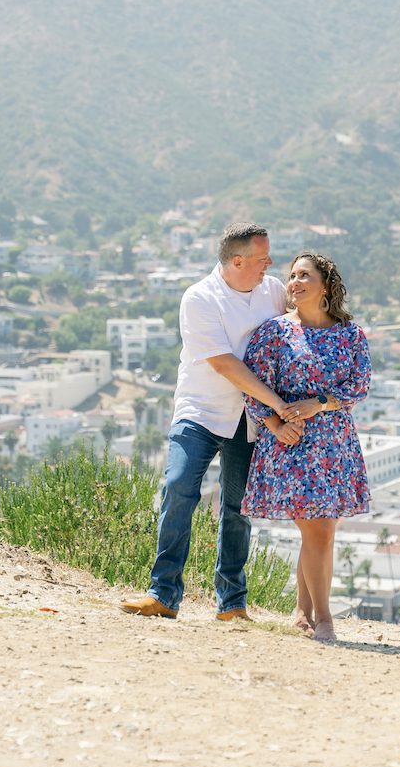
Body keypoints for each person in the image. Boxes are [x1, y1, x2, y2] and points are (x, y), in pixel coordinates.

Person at [120, 223, 304, 621]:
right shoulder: (199, 298)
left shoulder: (271, 290)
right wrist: (277, 405)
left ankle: (232, 604)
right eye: (262, 258)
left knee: (238, 508)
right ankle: (163, 593)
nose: (270, 264)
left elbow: (302, 318)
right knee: (178, 486)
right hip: (201, 411)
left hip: (249, 418)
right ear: (237, 261)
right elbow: (224, 363)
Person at [240, 251, 371, 644]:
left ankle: (303, 611)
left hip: (333, 445)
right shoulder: (274, 333)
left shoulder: (351, 335)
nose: (294, 282)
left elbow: (359, 385)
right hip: (293, 445)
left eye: (304, 276)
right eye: (292, 275)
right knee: (318, 532)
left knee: (319, 532)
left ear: (326, 285)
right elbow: (253, 386)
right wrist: (275, 425)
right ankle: (325, 618)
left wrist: (320, 403)